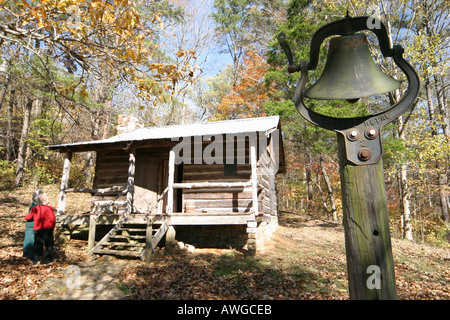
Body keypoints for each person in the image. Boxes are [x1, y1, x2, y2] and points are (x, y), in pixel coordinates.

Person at [24, 193, 56, 265]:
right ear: (44, 201)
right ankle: (47, 259)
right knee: (49, 244)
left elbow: (29, 216)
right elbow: (53, 219)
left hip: (37, 229)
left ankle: (36, 260)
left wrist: (25, 217)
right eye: (47, 198)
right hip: (47, 229)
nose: (49, 200)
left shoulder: (35, 208)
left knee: (38, 244)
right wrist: (52, 227)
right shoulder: (49, 209)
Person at [23, 189, 43, 259]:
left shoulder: (41, 205)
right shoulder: (34, 204)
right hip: (31, 226)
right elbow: (30, 216)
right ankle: (28, 258)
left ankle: (36, 256)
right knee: (30, 241)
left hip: (38, 226)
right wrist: (26, 217)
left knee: (38, 241)